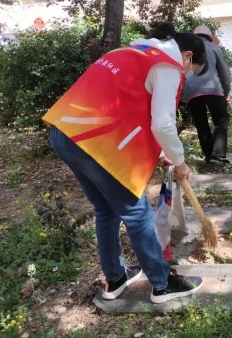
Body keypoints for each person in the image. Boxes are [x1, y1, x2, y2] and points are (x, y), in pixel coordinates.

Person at [42, 26, 206, 303]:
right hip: (93, 140)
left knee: (105, 209)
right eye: (190, 70)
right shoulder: (167, 65)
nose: (185, 75)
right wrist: (180, 162)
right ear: (187, 56)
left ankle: (115, 278)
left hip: (64, 132)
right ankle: (162, 283)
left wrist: (161, 152)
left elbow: (125, 107)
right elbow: (163, 123)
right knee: (136, 210)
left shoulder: (130, 52)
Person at [182, 25, 232, 164]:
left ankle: (209, 155)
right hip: (213, 89)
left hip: (191, 91)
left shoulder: (186, 50)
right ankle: (217, 154)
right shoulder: (213, 48)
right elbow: (225, 74)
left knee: (201, 124)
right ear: (209, 37)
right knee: (222, 121)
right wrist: (225, 93)